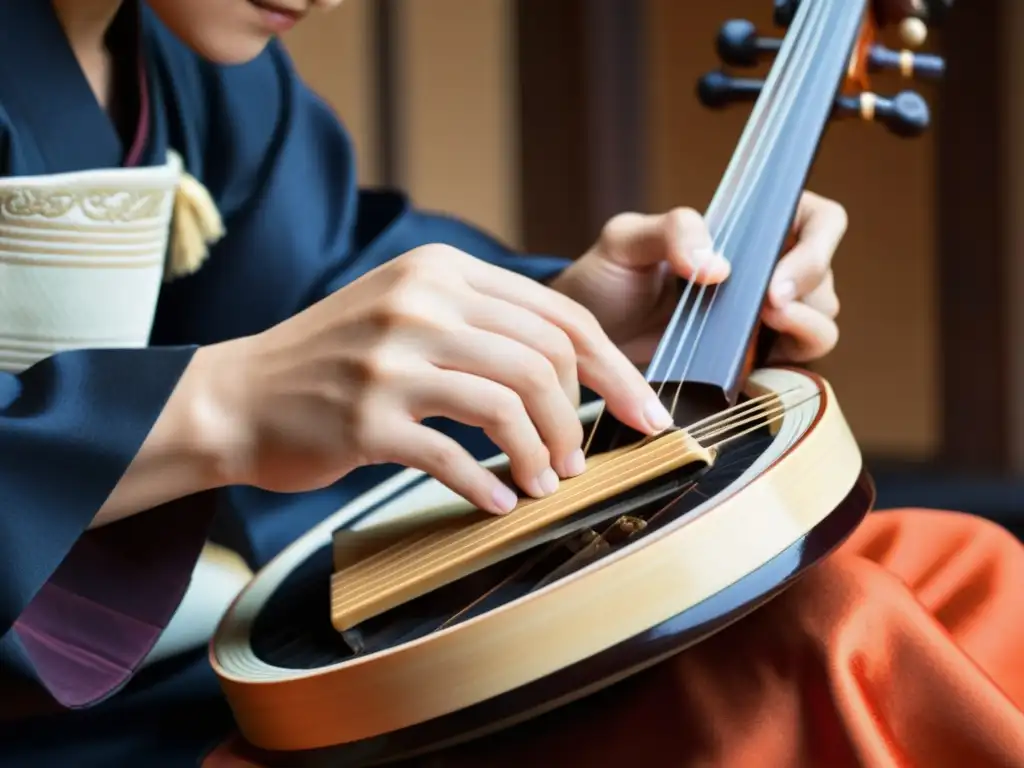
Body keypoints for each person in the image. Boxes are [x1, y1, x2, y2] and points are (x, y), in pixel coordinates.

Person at [1, 1, 1021, 767]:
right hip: (95, 725)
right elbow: (269, 366)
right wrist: (217, 405)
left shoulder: (193, 64)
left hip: (234, 664)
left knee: (956, 566)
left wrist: (576, 319)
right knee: (822, 634)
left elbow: (319, 285)